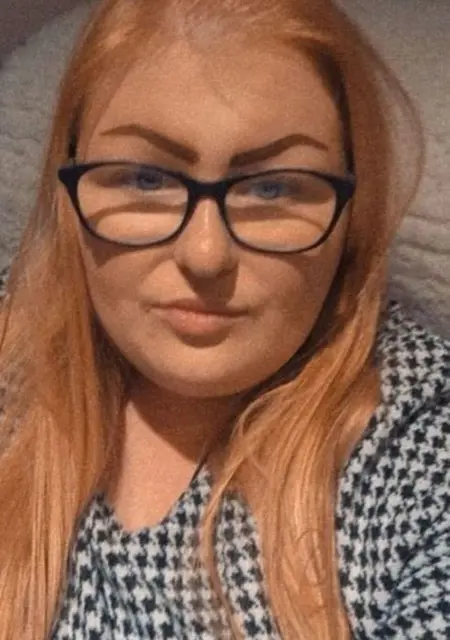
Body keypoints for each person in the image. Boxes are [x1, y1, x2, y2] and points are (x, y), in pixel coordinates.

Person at [0, 0, 448, 638]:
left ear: (353, 212)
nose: (206, 255)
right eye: (146, 179)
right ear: (68, 198)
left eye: (273, 187)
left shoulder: (420, 452)